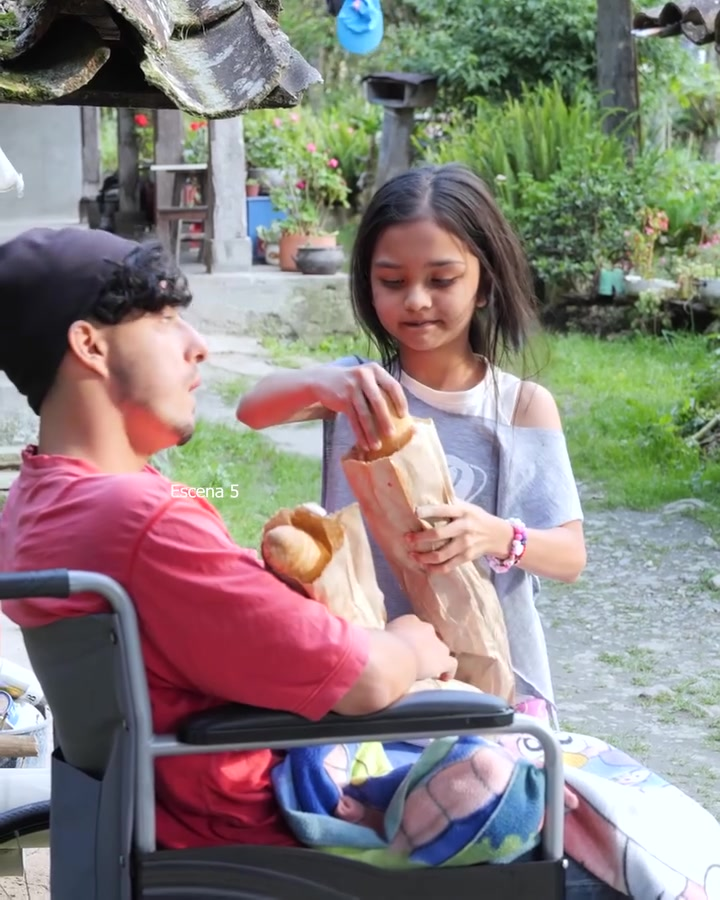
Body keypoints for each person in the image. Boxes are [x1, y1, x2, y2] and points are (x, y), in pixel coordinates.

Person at [0, 226, 457, 851]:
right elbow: (367, 680)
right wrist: (411, 643)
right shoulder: (143, 518)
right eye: (163, 319)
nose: (199, 346)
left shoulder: (35, 501)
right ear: (90, 346)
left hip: (133, 828)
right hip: (270, 841)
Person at [236, 162, 588, 728]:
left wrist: (494, 535)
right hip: (373, 669)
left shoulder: (519, 406)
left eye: (442, 280)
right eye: (393, 282)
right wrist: (319, 381)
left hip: (490, 680)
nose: (417, 300)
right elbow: (252, 409)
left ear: (484, 283)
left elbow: (570, 556)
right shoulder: (359, 391)